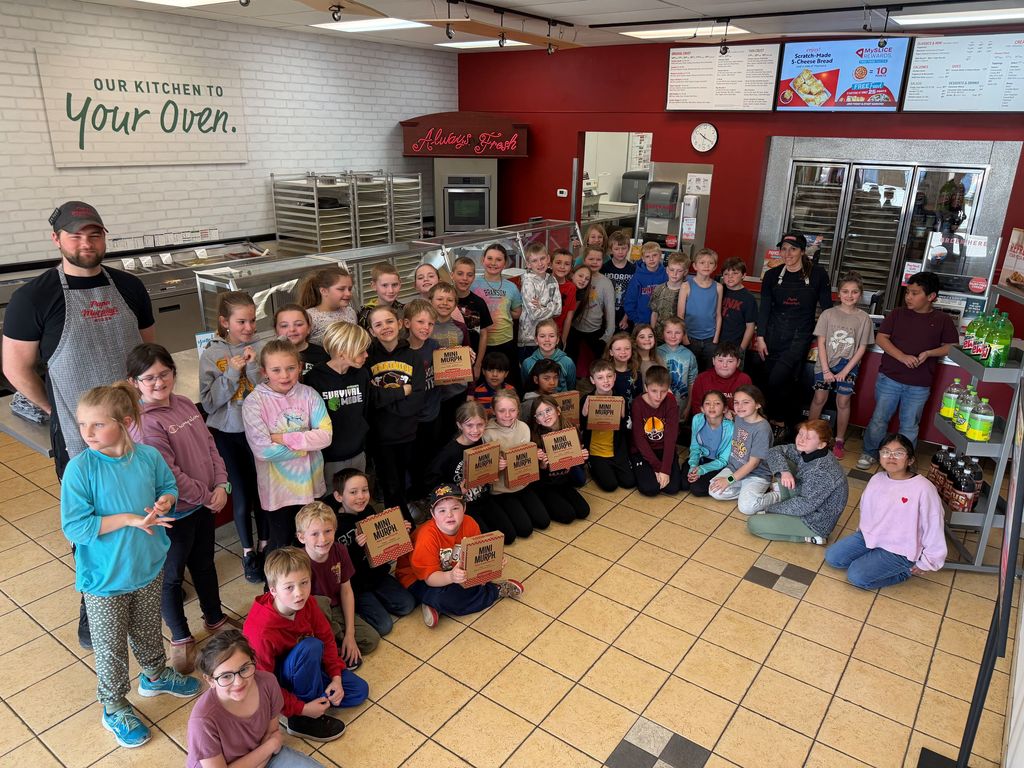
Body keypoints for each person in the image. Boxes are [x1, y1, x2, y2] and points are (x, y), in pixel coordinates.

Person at [3, 201, 156, 649]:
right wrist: (59, 412)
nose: (86, 244)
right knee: (92, 525)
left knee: (141, 507)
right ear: (57, 239)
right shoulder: (34, 296)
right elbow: (16, 369)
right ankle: (94, 612)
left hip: (134, 431)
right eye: (75, 236)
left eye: (94, 235)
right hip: (78, 438)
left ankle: (146, 585)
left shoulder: (128, 286)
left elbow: (147, 353)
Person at [61, 383, 199, 749]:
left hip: (148, 565)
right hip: (105, 579)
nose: (86, 433)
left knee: (147, 627)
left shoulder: (149, 457)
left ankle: (154, 674)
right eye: (82, 425)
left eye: (96, 425)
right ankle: (114, 705)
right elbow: (75, 526)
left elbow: (167, 486)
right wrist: (125, 519)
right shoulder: (80, 469)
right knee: (110, 647)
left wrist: (166, 501)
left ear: (124, 422)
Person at [127, 343, 233, 675]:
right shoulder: (144, 424)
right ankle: (181, 637)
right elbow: (169, 473)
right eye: (149, 378)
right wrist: (206, 494)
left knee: (204, 565)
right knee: (171, 578)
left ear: (173, 372)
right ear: (135, 383)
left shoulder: (185, 403)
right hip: (174, 515)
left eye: (164, 374)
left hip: (202, 505)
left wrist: (221, 483)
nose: (159, 383)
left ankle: (215, 618)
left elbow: (210, 445)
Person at [242, 547, 368, 742]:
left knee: (359, 691)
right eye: (289, 587)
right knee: (311, 646)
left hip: (306, 669)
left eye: (304, 583)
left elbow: (326, 637)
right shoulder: (260, 631)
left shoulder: (307, 603)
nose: (299, 593)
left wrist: (336, 677)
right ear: (273, 589)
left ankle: (316, 696)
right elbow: (263, 686)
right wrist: (301, 708)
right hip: (279, 682)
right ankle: (300, 720)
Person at [856, 271, 958, 470]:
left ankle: (904, 462)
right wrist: (902, 356)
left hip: (919, 384)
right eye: (908, 292)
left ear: (931, 297)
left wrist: (929, 353)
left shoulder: (942, 319)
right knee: (879, 419)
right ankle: (869, 453)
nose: (908, 297)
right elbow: (881, 338)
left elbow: (952, 346)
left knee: (910, 425)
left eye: (915, 293)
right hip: (890, 379)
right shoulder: (897, 314)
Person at [242, 340, 332, 556]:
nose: (285, 375)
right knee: (282, 547)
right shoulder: (254, 403)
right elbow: (263, 451)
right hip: (277, 492)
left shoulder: (309, 394)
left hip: (310, 486)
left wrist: (281, 437)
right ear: (264, 371)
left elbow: (326, 436)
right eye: (276, 370)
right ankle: (272, 588)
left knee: (311, 543)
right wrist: (306, 444)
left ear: (300, 367)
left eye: (291, 368)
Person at [200, 290, 266, 584]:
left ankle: (266, 546)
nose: (249, 328)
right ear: (225, 322)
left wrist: (251, 366)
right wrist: (231, 374)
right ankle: (249, 552)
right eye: (241, 322)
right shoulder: (212, 354)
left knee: (263, 492)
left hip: (259, 432)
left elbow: (267, 390)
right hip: (228, 434)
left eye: (252, 320)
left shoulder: (261, 347)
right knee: (241, 496)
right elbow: (209, 403)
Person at [187, 630, 323, 768]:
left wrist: (270, 747)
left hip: (264, 756)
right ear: (210, 680)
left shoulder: (268, 682)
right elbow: (273, 741)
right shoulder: (202, 721)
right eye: (226, 676)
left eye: (244, 669)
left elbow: (272, 732)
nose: (239, 682)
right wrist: (271, 745)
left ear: (253, 662)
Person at [396, 484, 524, 628]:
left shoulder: (470, 523)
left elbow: (476, 558)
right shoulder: (426, 537)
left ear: (464, 508)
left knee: (467, 585)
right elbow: (430, 578)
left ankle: (436, 605)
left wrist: (491, 565)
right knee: (444, 597)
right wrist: (451, 577)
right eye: (442, 510)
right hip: (418, 577)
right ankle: (495, 591)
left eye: (455, 508)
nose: (449, 515)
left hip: (451, 570)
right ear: (433, 514)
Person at [827, 433, 946, 589]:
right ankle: (874, 557)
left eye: (898, 453)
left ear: (910, 459)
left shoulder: (923, 488)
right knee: (833, 557)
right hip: (871, 537)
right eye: (885, 452)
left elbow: (934, 525)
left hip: (901, 549)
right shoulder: (877, 479)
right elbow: (867, 510)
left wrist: (928, 562)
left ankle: (905, 571)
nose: (891, 457)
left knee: (856, 576)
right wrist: (864, 534)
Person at [752, 232, 833, 437]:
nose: (787, 254)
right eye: (784, 249)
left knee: (777, 379)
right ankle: (780, 426)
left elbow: (827, 309)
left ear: (803, 251)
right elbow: (765, 309)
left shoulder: (818, 275)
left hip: (800, 336)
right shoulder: (772, 275)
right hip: (773, 336)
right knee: (778, 381)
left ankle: (778, 421)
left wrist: (823, 337)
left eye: (793, 249)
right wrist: (760, 337)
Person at [295, 501, 379, 670]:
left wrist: (350, 634)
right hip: (309, 615)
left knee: (371, 640)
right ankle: (330, 651)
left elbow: (346, 591)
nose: (323, 539)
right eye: (315, 534)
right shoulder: (298, 562)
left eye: (328, 531)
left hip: (335, 609)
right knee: (319, 602)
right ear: (301, 537)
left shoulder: (340, 550)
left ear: (335, 529)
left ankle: (338, 643)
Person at [332, 468, 416, 637]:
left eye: (365, 490)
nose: (361, 496)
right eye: (353, 492)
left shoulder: (369, 510)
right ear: (339, 496)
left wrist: (399, 531)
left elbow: (381, 547)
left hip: (376, 575)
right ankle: (358, 608)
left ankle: (377, 600)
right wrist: (357, 546)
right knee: (384, 626)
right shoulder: (335, 526)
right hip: (355, 585)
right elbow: (341, 567)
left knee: (407, 605)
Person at [742, 419, 849, 543]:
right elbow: (773, 451)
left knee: (753, 524)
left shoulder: (822, 471)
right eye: (801, 434)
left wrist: (771, 508)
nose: (801, 439)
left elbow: (804, 505)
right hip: (805, 501)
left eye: (808, 437)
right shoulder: (810, 450)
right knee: (784, 462)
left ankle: (810, 536)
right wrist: (784, 472)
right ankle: (786, 508)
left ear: (821, 444)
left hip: (814, 521)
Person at [366, 305, 426, 521]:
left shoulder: (412, 357)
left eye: (389, 321)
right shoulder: (367, 358)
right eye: (378, 324)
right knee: (390, 485)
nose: (385, 327)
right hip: (380, 435)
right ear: (371, 331)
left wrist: (385, 401)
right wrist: (402, 391)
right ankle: (399, 528)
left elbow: (418, 398)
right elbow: (370, 398)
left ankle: (407, 521)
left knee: (405, 480)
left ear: (399, 324)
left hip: (408, 432)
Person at [809, 272, 874, 459]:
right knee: (819, 398)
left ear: (860, 294)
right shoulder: (828, 314)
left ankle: (839, 440)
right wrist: (827, 370)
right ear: (839, 294)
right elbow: (821, 342)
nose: (849, 295)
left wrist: (845, 371)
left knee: (843, 402)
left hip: (849, 365)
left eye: (854, 292)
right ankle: (810, 435)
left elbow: (862, 348)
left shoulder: (864, 319)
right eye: (845, 291)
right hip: (825, 364)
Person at [304, 321, 372, 482]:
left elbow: (366, 409)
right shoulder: (314, 378)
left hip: (358, 452)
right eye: (361, 351)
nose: (366, 355)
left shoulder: (361, 374)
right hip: (328, 457)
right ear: (342, 353)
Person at [427, 401, 505, 539]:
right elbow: (432, 482)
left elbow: (488, 471)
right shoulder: (448, 453)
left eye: (480, 425)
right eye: (469, 425)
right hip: (464, 505)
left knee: (507, 536)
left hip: (484, 498)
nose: (475, 431)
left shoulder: (484, 442)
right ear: (459, 425)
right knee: (485, 539)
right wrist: (456, 491)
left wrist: (497, 468)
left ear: (485, 423)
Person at [483, 390, 550, 542]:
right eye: (502, 410)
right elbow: (482, 471)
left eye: (512, 410)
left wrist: (536, 456)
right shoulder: (487, 434)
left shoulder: (524, 428)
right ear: (493, 411)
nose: (507, 415)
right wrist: (495, 467)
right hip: (501, 491)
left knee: (543, 522)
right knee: (523, 530)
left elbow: (528, 461)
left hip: (523, 485)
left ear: (518, 411)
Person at [529, 395, 591, 523]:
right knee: (567, 516)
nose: (545, 415)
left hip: (564, 481)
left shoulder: (571, 430)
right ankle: (542, 504)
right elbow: (532, 475)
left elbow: (577, 462)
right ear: (537, 420)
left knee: (583, 511)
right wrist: (542, 466)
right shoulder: (534, 438)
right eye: (540, 414)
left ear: (557, 410)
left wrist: (583, 457)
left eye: (548, 410)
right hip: (545, 485)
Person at [708, 385, 772, 502]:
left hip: (756, 475)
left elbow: (753, 464)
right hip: (735, 468)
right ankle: (747, 492)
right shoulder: (739, 418)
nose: (740, 406)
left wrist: (728, 480)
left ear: (758, 405)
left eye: (746, 402)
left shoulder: (762, 429)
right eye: (736, 402)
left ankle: (776, 495)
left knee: (746, 507)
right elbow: (731, 414)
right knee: (713, 490)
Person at [472, 243, 524, 388]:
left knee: (508, 380)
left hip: (505, 341)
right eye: (490, 258)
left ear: (505, 263)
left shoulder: (511, 287)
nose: (493, 263)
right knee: (482, 382)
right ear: (483, 259)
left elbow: (517, 312)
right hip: (481, 343)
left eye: (498, 259)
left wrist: (501, 312)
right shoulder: (474, 284)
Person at [580, 360, 635, 494]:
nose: (606, 381)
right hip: (596, 450)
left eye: (609, 376)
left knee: (629, 482)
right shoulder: (586, 399)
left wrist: (623, 415)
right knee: (610, 485)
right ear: (593, 380)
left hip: (616, 449)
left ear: (615, 377)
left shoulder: (620, 399)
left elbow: (625, 429)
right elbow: (581, 428)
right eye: (600, 378)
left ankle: (612, 466)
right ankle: (593, 466)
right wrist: (584, 414)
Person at [631, 365, 681, 496]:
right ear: (646, 388)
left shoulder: (670, 401)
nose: (659, 396)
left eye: (663, 391)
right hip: (643, 451)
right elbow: (639, 440)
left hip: (663, 448)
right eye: (654, 391)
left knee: (673, 488)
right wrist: (658, 467)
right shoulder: (638, 404)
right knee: (650, 489)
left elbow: (671, 438)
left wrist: (665, 470)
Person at [566, 246, 614, 365]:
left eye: (598, 259)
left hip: (595, 329)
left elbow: (610, 310)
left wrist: (608, 335)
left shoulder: (606, 283)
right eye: (591, 259)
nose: (594, 262)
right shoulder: (575, 278)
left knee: (600, 360)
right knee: (571, 358)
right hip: (573, 327)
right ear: (584, 260)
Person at [677, 247, 723, 371]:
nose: (706, 266)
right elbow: (680, 315)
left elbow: (718, 314)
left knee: (708, 372)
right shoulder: (686, 286)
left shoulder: (718, 287)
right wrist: (685, 338)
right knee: (690, 372)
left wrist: (715, 339)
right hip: (690, 338)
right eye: (702, 262)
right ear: (695, 266)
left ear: (715, 267)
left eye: (711, 263)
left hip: (710, 339)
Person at [681, 390, 733, 497]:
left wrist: (702, 470)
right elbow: (695, 447)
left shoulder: (730, 428)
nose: (712, 407)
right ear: (702, 409)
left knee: (697, 489)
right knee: (683, 484)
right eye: (707, 403)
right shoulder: (697, 419)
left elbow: (724, 460)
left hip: (719, 464)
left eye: (717, 403)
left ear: (725, 409)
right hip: (701, 458)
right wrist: (693, 466)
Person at [451, 256, 494, 382]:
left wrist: (478, 364)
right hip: (449, 362)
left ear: (474, 277)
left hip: (472, 361)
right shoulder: (444, 301)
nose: (464, 278)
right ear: (452, 275)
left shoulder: (479, 303)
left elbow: (484, 334)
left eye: (469, 275)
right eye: (460, 274)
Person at [518, 242, 561, 361]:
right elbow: (534, 314)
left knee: (547, 371)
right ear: (528, 264)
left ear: (548, 259)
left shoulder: (552, 279)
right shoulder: (528, 282)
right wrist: (550, 306)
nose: (540, 263)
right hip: (529, 338)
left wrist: (541, 305)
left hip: (548, 337)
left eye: (542, 258)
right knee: (530, 372)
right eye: (535, 260)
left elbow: (558, 310)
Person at [297, 266, 356, 346]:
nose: (348, 293)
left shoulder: (350, 311)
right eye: (341, 289)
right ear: (324, 291)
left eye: (349, 289)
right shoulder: (309, 317)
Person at [689, 342, 752, 417]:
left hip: (735, 423)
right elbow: (697, 407)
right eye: (720, 360)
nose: (724, 365)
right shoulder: (702, 378)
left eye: (730, 361)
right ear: (713, 361)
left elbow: (748, 407)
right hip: (708, 422)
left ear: (738, 363)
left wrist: (734, 417)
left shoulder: (744, 379)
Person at [521, 318, 577, 392]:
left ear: (557, 340)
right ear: (536, 340)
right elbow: (526, 387)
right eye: (542, 336)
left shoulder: (567, 362)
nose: (547, 340)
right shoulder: (527, 363)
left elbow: (571, 388)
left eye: (551, 336)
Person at [658, 316, 698, 418]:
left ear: (684, 334)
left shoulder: (689, 355)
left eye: (677, 332)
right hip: (658, 404)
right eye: (669, 332)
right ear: (663, 333)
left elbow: (692, 383)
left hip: (680, 405)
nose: (673, 336)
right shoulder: (656, 353)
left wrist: (688, 407)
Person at [275, 304, 329, 377]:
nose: (292, 329)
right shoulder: (271, 356)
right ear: (276, 331)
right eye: (284, 326)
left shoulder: (323, 355)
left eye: (298, 324)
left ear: (309, 328)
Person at [719, 257, 757, 357]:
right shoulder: (719, 290)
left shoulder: (748, 298)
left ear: (743, 275)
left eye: (735, 273)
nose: (730, 277)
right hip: (715, 343)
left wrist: (741, 349)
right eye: (726, 274)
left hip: (735, 346)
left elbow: (750, 326)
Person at [624, 241, 667, 327]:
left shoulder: (666, 274)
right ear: (643, 259)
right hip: (641, 322)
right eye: (647, 256)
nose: (651, 259)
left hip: (662, 323)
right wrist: (637, 320)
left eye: (654, 255)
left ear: (660, 255)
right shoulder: (637, 277)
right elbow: (629, 302)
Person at [649, 252, 689, 340]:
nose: (675, 274)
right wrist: (652, 332)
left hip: (678, 337)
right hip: (659, 335)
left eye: (679, 271)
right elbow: (654, 313)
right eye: (672, 270)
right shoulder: (658, 289)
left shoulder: (689, 291)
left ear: (685, 272)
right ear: (667, 270)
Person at [602, 231, 636, 330]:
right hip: (606, 316)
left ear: (628, 248)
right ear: (611, 250)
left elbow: (634, 296)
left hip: (626, 316)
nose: (620, 252)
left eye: (623, 248)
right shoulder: (604, 268)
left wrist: (626, 318)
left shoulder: (633, 270)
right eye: (616, 249)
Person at [603, 331, 643, 413]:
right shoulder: (605, 374)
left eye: (627, 348)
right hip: (611, 417)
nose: (623, 352)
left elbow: (639, 398)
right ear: (611, 352)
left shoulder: (636, 373)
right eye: (618, 349)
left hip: (631, 418)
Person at [357, 262, 405, 330]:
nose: (391, 290)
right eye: (384, 285)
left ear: (400, 284)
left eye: (394, 285)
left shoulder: (403, 309)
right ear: (374, 286)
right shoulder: (365, 315)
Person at [469, 351, 515, 418]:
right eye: (490, 370)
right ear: (483, 371)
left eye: (499, 371)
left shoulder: (511, 390)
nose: (494, 375)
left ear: (506, 374)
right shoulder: (477, 392)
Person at [550, 248, 578, 346]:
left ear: (571, 267)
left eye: (567, 264)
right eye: (558, 262)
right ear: (550, 264)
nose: (562, 267)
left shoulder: (571, 287)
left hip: (558, 334)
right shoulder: (542, 283)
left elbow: (569, 317)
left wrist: (563, 339)